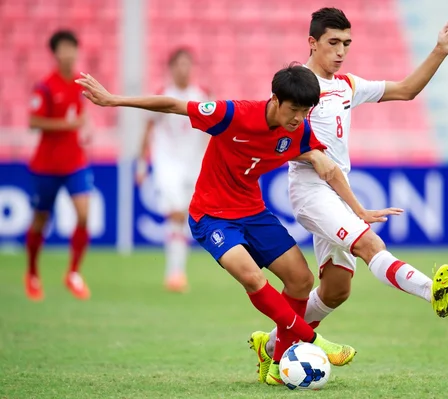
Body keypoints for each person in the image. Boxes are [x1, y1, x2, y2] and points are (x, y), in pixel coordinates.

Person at [76, 64, 398, 385]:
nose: (299, 118)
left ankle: (273, 361)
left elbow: (327, 167)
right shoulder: (232, 114)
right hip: (211, 216)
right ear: (275, 100)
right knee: (253, 277)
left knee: (301, 279)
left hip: (253, 213)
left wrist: (357, 208)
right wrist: (113, 99)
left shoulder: (298, 131)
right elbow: (174, 105)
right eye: (294, 109)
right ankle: (315, 341)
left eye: (306, 111)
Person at [251, 8, 448, 378]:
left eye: (346, 44)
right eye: (333, 43)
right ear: (312, 43)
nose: (340, 51)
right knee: (369, 245)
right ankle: (431, 291)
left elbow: (407, 90)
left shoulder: (347, 85)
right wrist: (357, 208)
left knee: (336, 291)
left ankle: (270, 345)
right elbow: (273, 130)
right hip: (311, 191)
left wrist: (440, 51)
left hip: (337, 188)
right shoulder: (296, 89)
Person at [25, 30, 92, 301]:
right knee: (41, 219)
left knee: (84, 214)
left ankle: (73, 273)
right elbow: (33, 123)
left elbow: (81, 116)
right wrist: (67, 125)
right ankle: (32, 273)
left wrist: (86, 127)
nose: (68, 53)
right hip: (47, 165)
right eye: (63, 49)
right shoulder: (45, 86)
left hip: (74, 162)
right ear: (55, 53)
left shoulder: (80, 84)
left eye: (72, 48)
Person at [137, 48, 210, 292]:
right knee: (176, 214)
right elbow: (148, 129)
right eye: (179, 64)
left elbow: (211, 132)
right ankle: (175, 273)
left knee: (187, 219)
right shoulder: (163, 95)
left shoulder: (201, 95)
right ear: (171, 68)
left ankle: (176, 271)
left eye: (187, 64)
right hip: (167, 163)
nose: (183, 69)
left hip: (194, 165)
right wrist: (141, 163)